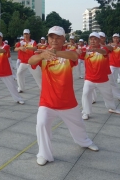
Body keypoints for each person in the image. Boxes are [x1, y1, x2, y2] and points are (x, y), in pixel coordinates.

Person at [28, 26, 98, 166]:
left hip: (67, 101)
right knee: (41, 124)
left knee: (78, 125)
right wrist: (42, 55)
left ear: (63, 39)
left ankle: (84, 142)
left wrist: (54, 52)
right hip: (47, 101)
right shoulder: (43, 54)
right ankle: (44, 154)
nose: (54, 40)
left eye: (58, 37)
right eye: (51, 37)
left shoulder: (68, 54)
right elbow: (31, 61)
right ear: (48, 38)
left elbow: (74, 56)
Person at [79, 32, 120, 120]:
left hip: (103, 79)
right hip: (89, 79)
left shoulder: (104, 48)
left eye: (95, 39)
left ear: (99, 40)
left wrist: (96, 50)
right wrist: (78, 51)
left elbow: (104, 51)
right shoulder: (85, 49)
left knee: (108, 95)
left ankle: (112, 108)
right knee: (85, 94)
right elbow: (78, 53)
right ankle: (86, 112)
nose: (92, 41)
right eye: (91, 39)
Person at [0, 32, 24, 107]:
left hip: (5, 71)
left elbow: (2, 51)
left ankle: (18, 98)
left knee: (12, 86)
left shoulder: (6, 46)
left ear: (1, 38)